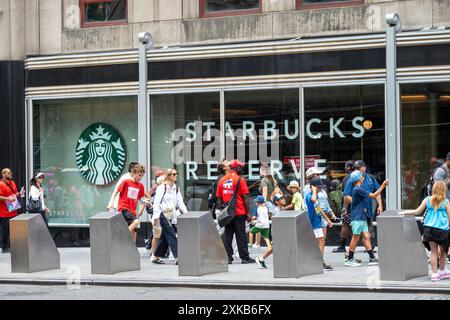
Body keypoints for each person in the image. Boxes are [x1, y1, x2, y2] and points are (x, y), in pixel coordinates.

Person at [401, 181, 450, 281]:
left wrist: (404, 212)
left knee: (433, 252)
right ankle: (442, 270)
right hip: (442, 231)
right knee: (443, 251)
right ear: (444, 190)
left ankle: (434, 274)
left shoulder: (427, 200)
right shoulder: (446, 202)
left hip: (429, 229)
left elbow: (416, 211)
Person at [344, 171, 388, 267]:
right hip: (358, 217)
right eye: (362, 177)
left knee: (367, 236)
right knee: (355, 237)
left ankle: (372, 257)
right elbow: (373, 195)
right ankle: (349, 258)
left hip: (361, 216)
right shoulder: (357, 190)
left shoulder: (358, 189)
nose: (363, 177)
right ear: (360, 179)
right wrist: (383, 185)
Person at [216, 159, 255, 264]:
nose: (242, 168)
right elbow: (246, 197)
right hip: (239, 212)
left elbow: (219, 198)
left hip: (228, 213)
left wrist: (223, 210)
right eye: (240, 167)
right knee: (241, 235)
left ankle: (228, 257)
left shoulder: (222, 180)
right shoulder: (240, 180)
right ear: (236, 168)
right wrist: (249, 212)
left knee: (228, 234)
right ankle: (245, 257)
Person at [151, 168, 188, 265]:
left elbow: (180, 201)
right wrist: (156, 216)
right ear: (169, 176)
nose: (176, 176)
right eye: (173, 174)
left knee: (165, 236)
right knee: (172, 235)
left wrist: (186, 213)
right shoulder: (162, 187)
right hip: (162, 214)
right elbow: (156, 203)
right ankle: (178, 257)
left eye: (176, 174)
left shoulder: (175, 187)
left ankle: (156, 256)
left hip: (172, 215)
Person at [107, 164, 146, 244]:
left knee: (134, 232)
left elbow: (141, 199)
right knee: (136, 222)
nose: (140, 177)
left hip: (132, 210)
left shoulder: (140, 185)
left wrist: (142, 209)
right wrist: (111, 202)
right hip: (124, 207)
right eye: (139, 175)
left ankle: (132, 249)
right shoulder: (126, 182)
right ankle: (121, 236)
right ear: (134, 173)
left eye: (142, 176)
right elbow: (116, 191)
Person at [305, 178, 334, 271]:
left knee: (320, 242)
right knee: (320, 242)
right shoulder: (309, 195)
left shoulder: (316, 196)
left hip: (317, 222)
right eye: (318, 187)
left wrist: (328, 220)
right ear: (313, 187)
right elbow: (313, 199)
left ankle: (319, 261)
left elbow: (319, 209)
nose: (319, 189)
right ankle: (319, 262)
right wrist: (313, 190)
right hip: (313, 222)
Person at [0, 168, 23, 253]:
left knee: (12, 230)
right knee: (5, 230)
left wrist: (20, 193)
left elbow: (15, 193)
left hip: (13, 210)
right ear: (4, 174)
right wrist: (8, 198)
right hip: (4, 212)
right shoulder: (1, 184)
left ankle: (10, 245)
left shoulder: (12, 183)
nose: (11, 174)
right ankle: (4, 247)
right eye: (8, 173)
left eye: (11, 173)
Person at [333, 160, 354, 253]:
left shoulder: (346, 178)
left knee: (345, 225)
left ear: (349, 167)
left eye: (345, 166)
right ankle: (369, 246)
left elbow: (345, 194)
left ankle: (342, 246)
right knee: (361, 225)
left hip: (349, 206)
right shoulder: (361, 177)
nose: (345, 168)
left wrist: (344, 208)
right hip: (359, 206)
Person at [249, 196, 272, 269]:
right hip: (266, 225)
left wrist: (254, 221)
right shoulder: (265, 208)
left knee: (250, 231)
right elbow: (267, 215)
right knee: (266, 238)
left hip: (260, 225)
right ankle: (269, 247)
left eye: (256, 202)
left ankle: (250, 244)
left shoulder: (258, 209)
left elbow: (257, 218)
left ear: (258, 202)